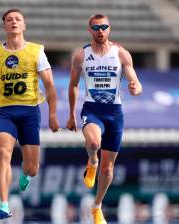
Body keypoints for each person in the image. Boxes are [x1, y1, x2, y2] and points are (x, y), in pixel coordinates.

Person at [0, 8, 60, 220]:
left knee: (32, 168)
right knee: (3, 154)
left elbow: (49, 85)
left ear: (24, 25)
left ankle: (27, 173)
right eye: (9, 20)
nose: (14, 22)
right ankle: (4, 203)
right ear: (4, 26)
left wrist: (53, 115)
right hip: (6, 112)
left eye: (18, 19)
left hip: (30, 112)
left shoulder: (36, 51)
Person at [66, 14, 142, 224]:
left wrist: (135, 87)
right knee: (93, 142)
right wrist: (71, 114)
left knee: (108, 169)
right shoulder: (81, 55)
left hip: (114, 113)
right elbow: (73, 85)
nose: (100, 31)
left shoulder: (121, 54)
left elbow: (135, 80)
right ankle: (92, 161)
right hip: (92, 110)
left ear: (109, 29)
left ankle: (96, 206)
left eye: (104, 27)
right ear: (89, 30)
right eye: (96, 27)